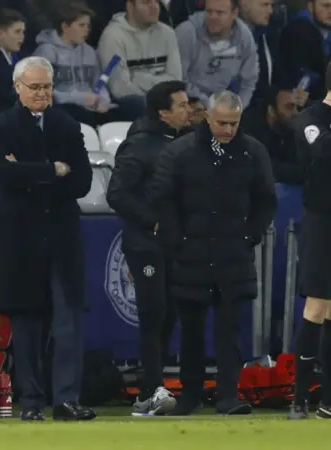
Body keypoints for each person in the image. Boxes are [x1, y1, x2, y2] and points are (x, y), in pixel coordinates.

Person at [149, 90, 277, 415]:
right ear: (207, 116)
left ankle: (228, 397)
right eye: (222, 122)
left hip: (234, 254)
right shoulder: (181, 152)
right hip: (190, 254)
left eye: (234, 123)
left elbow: (266, 201)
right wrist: (177, 241)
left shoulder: (253, 152)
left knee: (229, 331)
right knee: (191, 331)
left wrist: (251, 235)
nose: (228, 129)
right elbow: (163, 198)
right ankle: (190, 396)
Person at [0, 56, 96, 421]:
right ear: (17, 88)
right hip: (21, 241)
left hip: (62, 239)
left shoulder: (66, 123)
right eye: (34, 87)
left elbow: (81, 182)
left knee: (68, 324)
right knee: (27, 325)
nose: (41, 93)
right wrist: (53, 170)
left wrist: (29, 171)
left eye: (46, 87)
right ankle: (30, 402)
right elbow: (4, 174)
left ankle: (66, 400)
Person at [105, 80, 191, 416]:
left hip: (173, 245)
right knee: (155, 312)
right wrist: (153, 222)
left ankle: (150, 389)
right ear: (163, 111)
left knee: (168, 313)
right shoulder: (138, 145)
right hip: (146, 245)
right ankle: (152, 389)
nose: (188, 109)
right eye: (182, 105)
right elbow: (117, 194)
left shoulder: (180, 142)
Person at [287, 65, 331, 420]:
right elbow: (323, 156)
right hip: (322, 220)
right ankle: (300, 397)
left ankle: (328, 401)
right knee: (317, 306)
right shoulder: (311, 119)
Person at [175, 0, 259, 108]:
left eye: (219, 13)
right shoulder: (186, 33)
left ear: (234, 13)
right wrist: (208, 104)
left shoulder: (244, 35)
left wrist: (238, 108)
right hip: (189, 101)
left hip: (222, 103)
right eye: (209, 11)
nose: (213, 17)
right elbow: (179, 80)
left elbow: (249, 81)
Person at [241, 85, 304, 185]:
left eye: (297, 107)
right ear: (271, 110)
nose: (296, 113)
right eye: (289, 107)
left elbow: (297, 159)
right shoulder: (247, 128)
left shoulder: (288, 127)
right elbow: (265, 167)